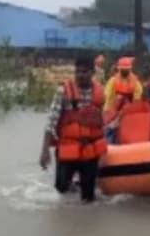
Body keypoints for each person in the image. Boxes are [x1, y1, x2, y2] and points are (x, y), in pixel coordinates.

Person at [39, 55, 107, 203]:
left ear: (92, 73)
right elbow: (51, 121)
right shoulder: (63, 92)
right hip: (68, 147)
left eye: (84, 72)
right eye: (78, 72)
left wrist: (103, 151)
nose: (80, 75)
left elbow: (101, 124)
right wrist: (45, 151)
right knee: (61, 188)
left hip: (90, 150)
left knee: (88, 198)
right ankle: (73, 185)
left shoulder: (100, 93)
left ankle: (82, 186)